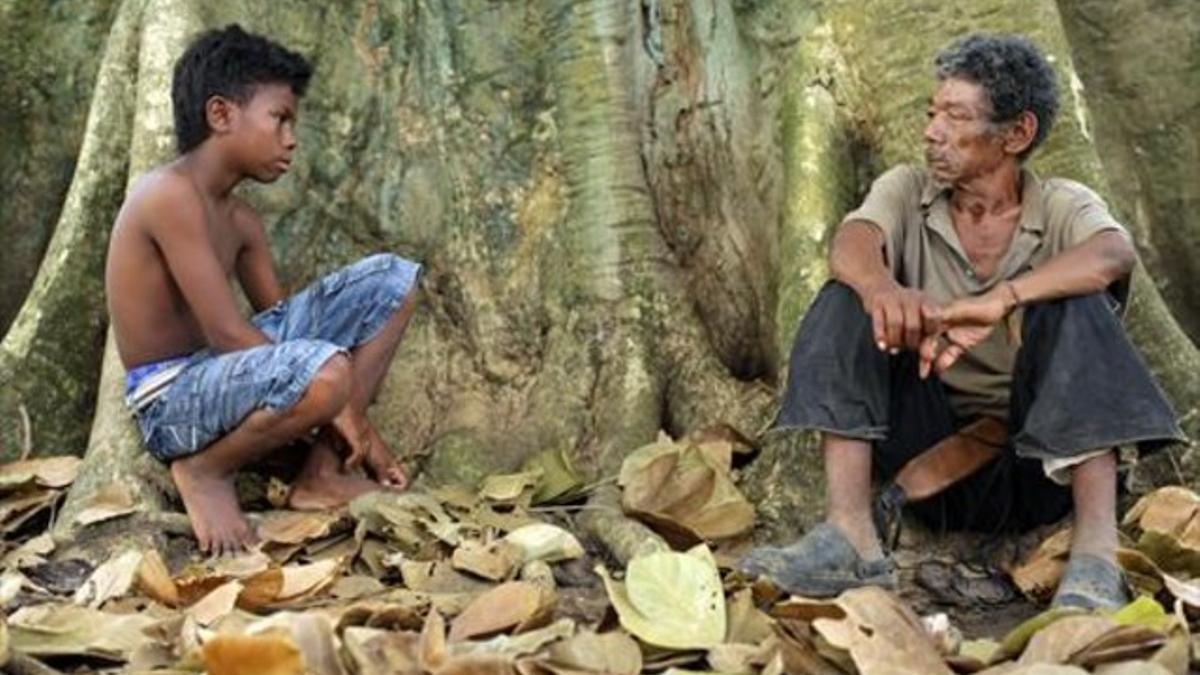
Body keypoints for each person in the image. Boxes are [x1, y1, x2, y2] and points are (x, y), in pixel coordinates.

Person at [739, 33, 1184, 609]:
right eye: (932, 113)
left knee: (1077, 302)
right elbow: (853, 242)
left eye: (955, 116)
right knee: (846, 296)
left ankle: (1096, 555)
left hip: (1038, 467)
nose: (932, 131)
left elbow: (1112, 255)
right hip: (926, 458)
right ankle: (850, 536)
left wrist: (1005, 298)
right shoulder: (907, 189)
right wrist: (882, 290)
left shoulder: (1060, 205)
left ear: (1017, 134)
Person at [105, 24, 420, 555]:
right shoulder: (166, 195)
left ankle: (320, 475)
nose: (291, 139)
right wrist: (339, 401)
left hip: (229, 376)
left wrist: (362, 429)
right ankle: (206, 471)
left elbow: (279, 327)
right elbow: (230, 333)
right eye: (279, 119)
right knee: (324, 372)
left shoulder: (242, 220)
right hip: (171, 402)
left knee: (393, 281)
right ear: (221, 115)